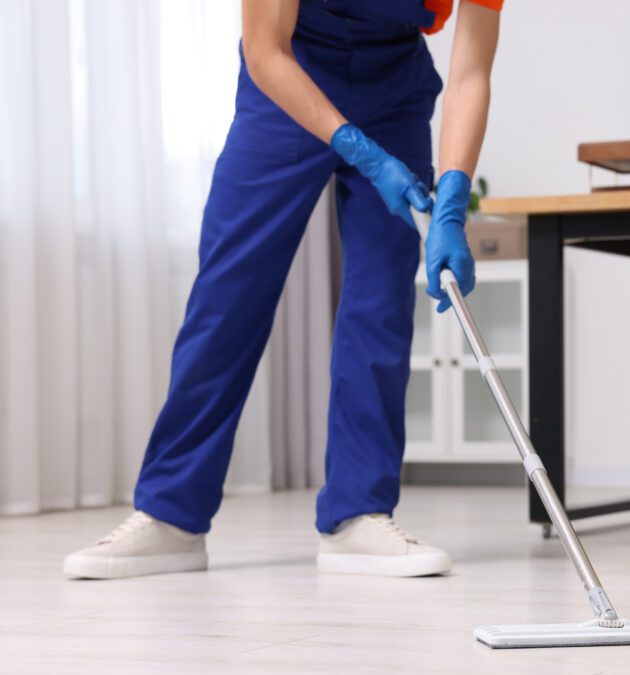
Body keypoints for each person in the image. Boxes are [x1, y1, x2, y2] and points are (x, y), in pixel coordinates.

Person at [63, 0, 501, 579]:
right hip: (290, 68)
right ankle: (170, 515)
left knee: (381, 302)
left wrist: (452, 204)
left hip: (394, 84)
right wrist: (358, 149)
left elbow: (471, 73)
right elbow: (264, 48)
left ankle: (358, 514)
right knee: (229, 297)